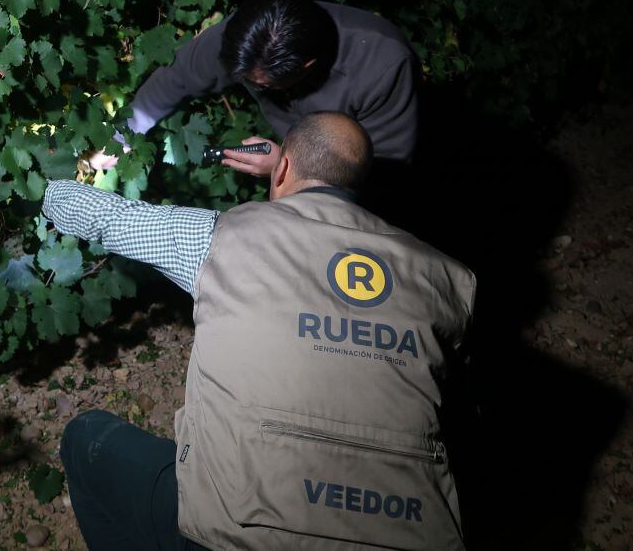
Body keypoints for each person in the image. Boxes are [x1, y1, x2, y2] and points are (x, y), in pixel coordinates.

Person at [45, 112, 475, 550]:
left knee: (85, 440)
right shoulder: (447, 278)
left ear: (282, 168)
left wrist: (53, 183)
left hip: (238, 533)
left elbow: (97, 214)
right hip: (412, 535)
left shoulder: (220, 237)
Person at [94, 0, 419, 177]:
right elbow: (176, 77)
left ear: (306, 68)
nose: (253, 87)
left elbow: (382, 177)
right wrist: (123, 135)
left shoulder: (384, 66)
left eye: (263, 85)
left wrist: (287, 167)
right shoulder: (251, 34)